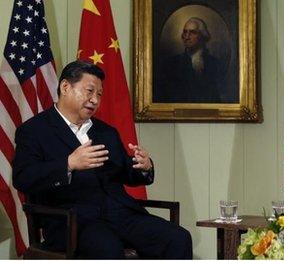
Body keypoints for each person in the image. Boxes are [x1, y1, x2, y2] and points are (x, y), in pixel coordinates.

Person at [12, 60, 192, 259]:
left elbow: (125, 172)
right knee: (108, 248)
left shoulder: (106, 132)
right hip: (72, 221)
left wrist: (143, 167)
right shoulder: (34, 131)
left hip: (120, 214)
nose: (95, 100)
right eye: (89, 91)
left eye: (99, 94)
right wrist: (69, 164)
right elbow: (23, 177)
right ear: (65, 87)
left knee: (178, 238)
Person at [155, 17, 225, 103]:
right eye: (185, 32)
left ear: (202, 36)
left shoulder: (215, 63)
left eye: (192, 32)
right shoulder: (171, 64)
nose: (187, 37)